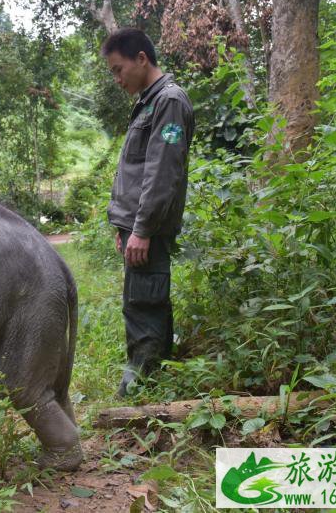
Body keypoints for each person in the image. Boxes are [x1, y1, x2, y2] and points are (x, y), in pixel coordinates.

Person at [101, 28, 194, 397]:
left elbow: (161, 174)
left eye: (118, 69)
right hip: (137, 228)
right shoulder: (148, 102)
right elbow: (139, 172)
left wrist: (141, 230)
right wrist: (125, 225)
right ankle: (152, 383)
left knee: (145, 306)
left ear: (142, 59)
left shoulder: (168, 102)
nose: (117, 78)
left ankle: (140, 391)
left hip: (147, 232)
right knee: (142, 304)